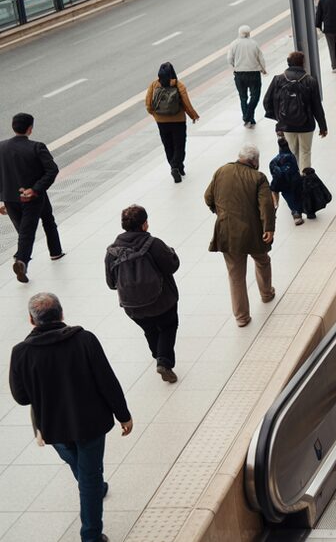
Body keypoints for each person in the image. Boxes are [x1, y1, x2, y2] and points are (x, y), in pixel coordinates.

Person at [8, 292, 133, 542]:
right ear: (62, 313)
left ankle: (93, 485)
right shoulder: (84, 340)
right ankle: (91, 535)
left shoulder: (21, 352)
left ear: (32, 321)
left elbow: (21, 397)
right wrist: (123, 415)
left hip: (52, 425)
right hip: (90, 423)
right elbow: (106, 380)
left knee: (75, 460)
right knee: (89, 478)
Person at [104, 204, 181, 383]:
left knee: (149, 329)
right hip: (162, 300)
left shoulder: (112, 252)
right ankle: (163, 360)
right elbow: (172, 266)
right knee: (168, 326)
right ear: (144, 224)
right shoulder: (153, 244)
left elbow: (111, 283)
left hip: (133, 307)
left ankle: (158, 356)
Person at [204, 144, 275, 327]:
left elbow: (208, 197)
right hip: (253, 233)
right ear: (255, 161)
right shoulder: (258, 177)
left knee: (235, 275)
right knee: (262, 260)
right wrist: (269, 228)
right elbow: (266, 205)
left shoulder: (222, 171)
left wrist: (220, 213)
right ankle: (266, 293)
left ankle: (241, 317)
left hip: (226, 232)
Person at [0, 112, 63, 283]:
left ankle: (55, 251)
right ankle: (22, 261)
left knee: (26, 229)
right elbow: (52, 170)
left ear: (13, 127)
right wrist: (35, 189)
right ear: (30, 129)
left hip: (10, 198)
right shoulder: (37, 147)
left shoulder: (1, 147)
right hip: (32, 198)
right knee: (29, 231)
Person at [264, 51, 328, 170]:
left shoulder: (278, 79)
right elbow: (317, 106)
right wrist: (322, 126)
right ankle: (305, 178)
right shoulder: (310, 81)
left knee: (292, 153)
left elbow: (267, 101)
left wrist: (279, 118)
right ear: (302, 63)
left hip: (286, 125)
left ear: (288, 63)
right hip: (306, 124)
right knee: (305, 152)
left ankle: (294, 179)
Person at [145, 62, 199, 183]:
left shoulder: (154, 85)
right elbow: (186, 103)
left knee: (168, 145)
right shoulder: (178, 85)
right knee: (179, 145)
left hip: (161, 122)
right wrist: (193, 115)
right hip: (178, 120)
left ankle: (176, 167)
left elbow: (148, 104)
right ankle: (177, 166)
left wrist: (155, 115)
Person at [226, 25, 268, 127]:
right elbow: (260, 58)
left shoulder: (234, 44)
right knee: (255, 96)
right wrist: (263, 69)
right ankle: (249, 116)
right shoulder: (254, 44)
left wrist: (233, 69)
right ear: (249, 33)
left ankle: (247, 117)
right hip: (253, 73)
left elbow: (229, 59)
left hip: (239, 74)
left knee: (243, 97)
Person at [269, 138, 304, 226]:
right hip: (294, 181)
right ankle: (297, 213)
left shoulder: (274, 161)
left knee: (289, 197)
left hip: (281, 183)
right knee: (296, 196)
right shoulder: (291, 157)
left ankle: (293, 212)